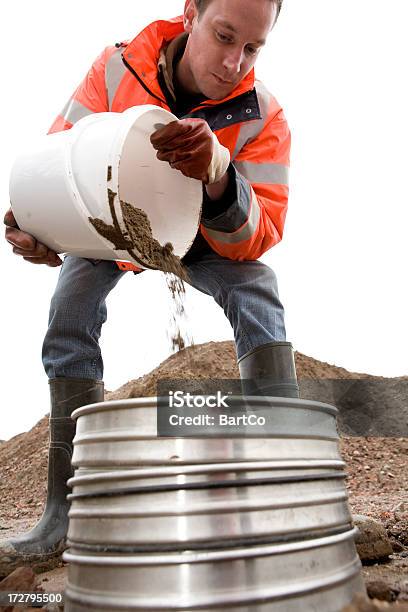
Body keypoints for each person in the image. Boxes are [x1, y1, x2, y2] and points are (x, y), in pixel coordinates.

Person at [1, 0, 299, 575]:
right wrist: (33, 224)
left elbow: (260, 233)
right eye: (223, 35)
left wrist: (219, 176)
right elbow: (59, 154)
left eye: (253, 47)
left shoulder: (263, 117)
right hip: (115, 225)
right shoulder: (117, 70)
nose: (234, 61)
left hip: (207, 240)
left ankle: (280, 501)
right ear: (190, 14)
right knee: (70, 308)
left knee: (257, 290)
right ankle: (67, 513)